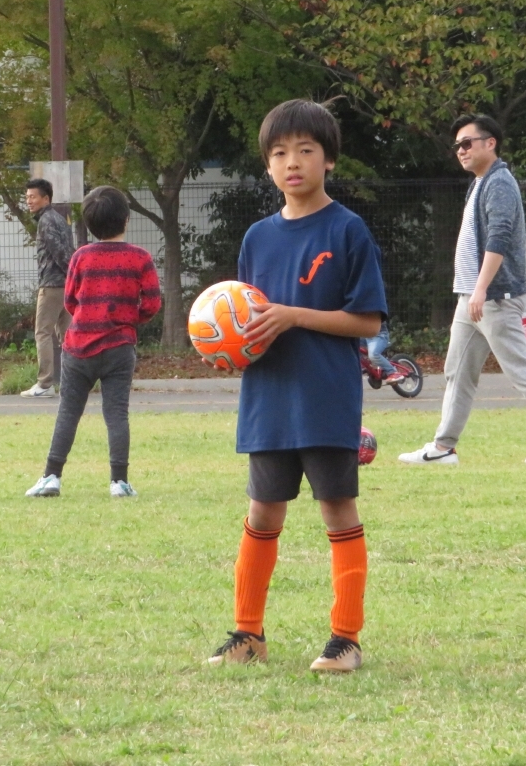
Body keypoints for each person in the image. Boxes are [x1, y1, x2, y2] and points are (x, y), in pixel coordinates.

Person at [206, 99, 387, 673]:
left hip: (326, 395)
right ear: (267, 165)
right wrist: (231, 350)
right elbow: (247, 320)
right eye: (280, 153)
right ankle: (247, 634)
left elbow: (368, 322)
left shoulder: (347, 229)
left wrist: (293, 316)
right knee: (262, 513)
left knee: (338, 509)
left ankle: (345, 639)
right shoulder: (257, 238)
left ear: (328, 159)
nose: (292, 162)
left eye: (305, 150)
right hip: (268, 398)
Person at [399, 115, 526, 467]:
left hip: (493, 298)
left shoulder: (499, 182)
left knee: (521, 369)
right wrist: (473, 292)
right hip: (471, 299)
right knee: (457, 372)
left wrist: (481, 289)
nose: (460, 150)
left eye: (467, 143)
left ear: (490, 143)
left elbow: (499, 236)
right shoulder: (480, 183)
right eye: (457, 146)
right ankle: (443, 447)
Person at [24, 186, 161, 499]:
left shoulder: (81, 256)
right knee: (117, 414)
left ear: (87, 222)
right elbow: (152, 304)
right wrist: (128, 320)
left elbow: (70, 300)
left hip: (78, 347)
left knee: (68, 413)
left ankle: (51, 477)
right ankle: (119, 481)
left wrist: (89, 317)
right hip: (120, 348)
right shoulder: (140, 258)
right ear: (126, 219)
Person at [21, 178, 76, 398]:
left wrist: (68, 274)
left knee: (42, 333)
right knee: (68, 336)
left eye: (33, 197)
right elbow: (69, 251)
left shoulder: (46, 221)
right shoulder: (60, 219)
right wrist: (74, 279)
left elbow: (59, 253)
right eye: (27, 197)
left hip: (52, 285)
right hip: (67, 286)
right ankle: (74, 381)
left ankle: (45, 384)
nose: (29, 201)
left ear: (46, 199)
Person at [363, 318, 407, 384]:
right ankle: (370, 370)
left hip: (378, 335)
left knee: (373, 355)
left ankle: (392, 372)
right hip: (365, 336)